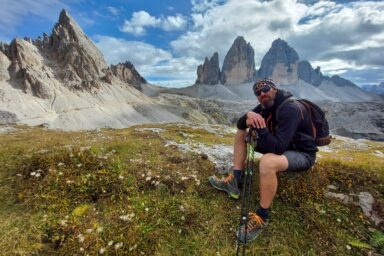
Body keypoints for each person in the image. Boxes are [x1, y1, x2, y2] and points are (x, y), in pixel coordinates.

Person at [208, 78, 318, 243]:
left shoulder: (290, 108)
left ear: (274, 89)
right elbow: (240, 125)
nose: (262, 94)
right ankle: (235, 181)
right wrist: (249, 115)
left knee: (267, 162)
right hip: (281, 146)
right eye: (258, 93)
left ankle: (262, 217)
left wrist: (261, 129)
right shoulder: (266, 105)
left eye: (265, 89)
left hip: (301, 153)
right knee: (241, 134)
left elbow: (278, 149)